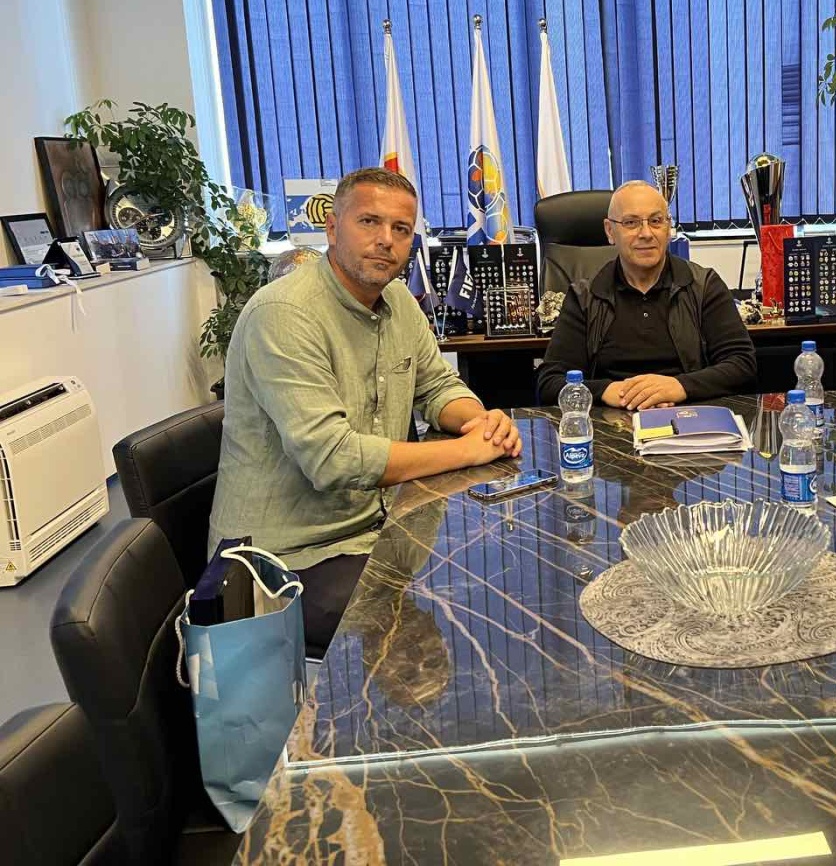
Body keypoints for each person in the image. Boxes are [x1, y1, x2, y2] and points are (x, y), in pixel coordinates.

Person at [210, 167, 522, 651]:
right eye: (369, 222)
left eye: (401, 229)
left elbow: (437, 386)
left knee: (500, 564)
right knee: (453, 605)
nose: (386, 240)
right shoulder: (283, 315)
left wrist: (481, 422)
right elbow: (332, 459)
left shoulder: (397, 299)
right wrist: (468, 451)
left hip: (376, 526)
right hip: (286, 559)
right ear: (333, 228)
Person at [537, 180, 756, 408]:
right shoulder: (585, 297)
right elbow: (550, 382)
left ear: (668, 228)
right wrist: (607, 390)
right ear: (610, 231)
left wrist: (680, 386)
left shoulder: (703, 286)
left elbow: (742, 364)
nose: (646, 233)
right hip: (611, 421)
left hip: (688, 417)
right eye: (631, 223)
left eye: (656, 221)